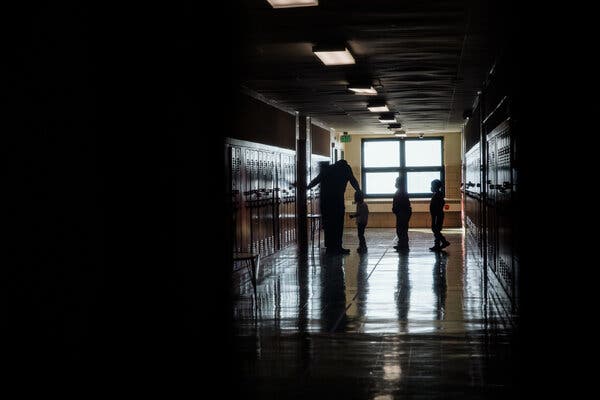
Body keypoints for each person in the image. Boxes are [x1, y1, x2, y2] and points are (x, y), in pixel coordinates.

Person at [307, 159, 361, 255]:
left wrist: (307, 187)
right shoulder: (346, 169)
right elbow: (353, 180)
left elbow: (316, 180)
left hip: (326, 201)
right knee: (338, 225)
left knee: (328, 225)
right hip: (337, 201)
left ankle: (330, 247)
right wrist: (359, 190)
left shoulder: (329, 168)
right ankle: (338, 247)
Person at [429, 179, 450, 251]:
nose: (431, 187)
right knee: (436, 230)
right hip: (437, 215)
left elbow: (437, 207)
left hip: (437, 215)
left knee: (435, 229)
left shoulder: (438, 195)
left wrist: (434, 216)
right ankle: (437, 244)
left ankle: (444, 241)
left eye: (432, 186)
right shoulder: (438, 194)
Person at [392, 176, 412, 251]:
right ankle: (402, 244)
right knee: (401, 229)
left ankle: (403, 245)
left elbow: (402, 204)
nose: (395, 183)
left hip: (402, 213)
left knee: (401, 230)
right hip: (402, 213)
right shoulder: (401, 191)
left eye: (396, 182)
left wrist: (397, 210)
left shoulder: (402, 192)